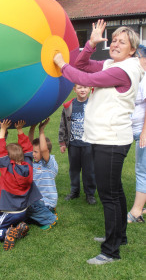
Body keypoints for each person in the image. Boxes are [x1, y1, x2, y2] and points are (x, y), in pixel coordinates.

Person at [54, 20, 144, 265]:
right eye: (113, 39)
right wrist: (91, 44)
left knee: (109, 195)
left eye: (121, 42)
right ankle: (119, 237)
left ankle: (111, 251)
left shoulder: (123, 70)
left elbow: (82, 77)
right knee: (114, 191)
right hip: (106, 138)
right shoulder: (111, 64)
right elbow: (81, 64)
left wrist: (61, 64)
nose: (115, 43)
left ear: (132, 50)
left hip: (111, 140)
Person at [0, 119, 42, 250]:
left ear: (8, 158)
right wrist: (19, 130)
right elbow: (28, 149)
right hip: (22, 211)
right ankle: (19, 226)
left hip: (10, 211)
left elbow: (0, 151)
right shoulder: (29, 165)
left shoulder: (7, 169)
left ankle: (9, 233)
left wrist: (3, 129)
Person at [58, 84, 96, 205]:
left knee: (89, 170)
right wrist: (62, 142)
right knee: (74, 170)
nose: (82, 90)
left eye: (85, 87)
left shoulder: (94, 105)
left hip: (89, 144)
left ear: (89, 88)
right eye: (79, 87)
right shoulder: (69, 106)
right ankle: (75, 191)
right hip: (73, 144)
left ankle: (90, 194)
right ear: (74, 90)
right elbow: (63, 125)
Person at [27, 118, 58, 230]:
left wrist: (41, 130)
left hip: (46, 202)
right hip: (37, 201)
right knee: (21, 210)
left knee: (27, 208)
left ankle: (50, 218)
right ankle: (42, 215)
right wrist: (32, 127)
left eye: (36, 152)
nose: (33, 154)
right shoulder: (33, 162)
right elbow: (29, 145)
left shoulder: (49, 163)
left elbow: (44, 150)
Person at [128, 45, 146, 223]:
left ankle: (136, 212)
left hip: (142, 131)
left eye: (135, 57)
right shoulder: (134, 75)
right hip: (130, 129)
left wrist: (144, 132)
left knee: (142, 169)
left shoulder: (145, 78)